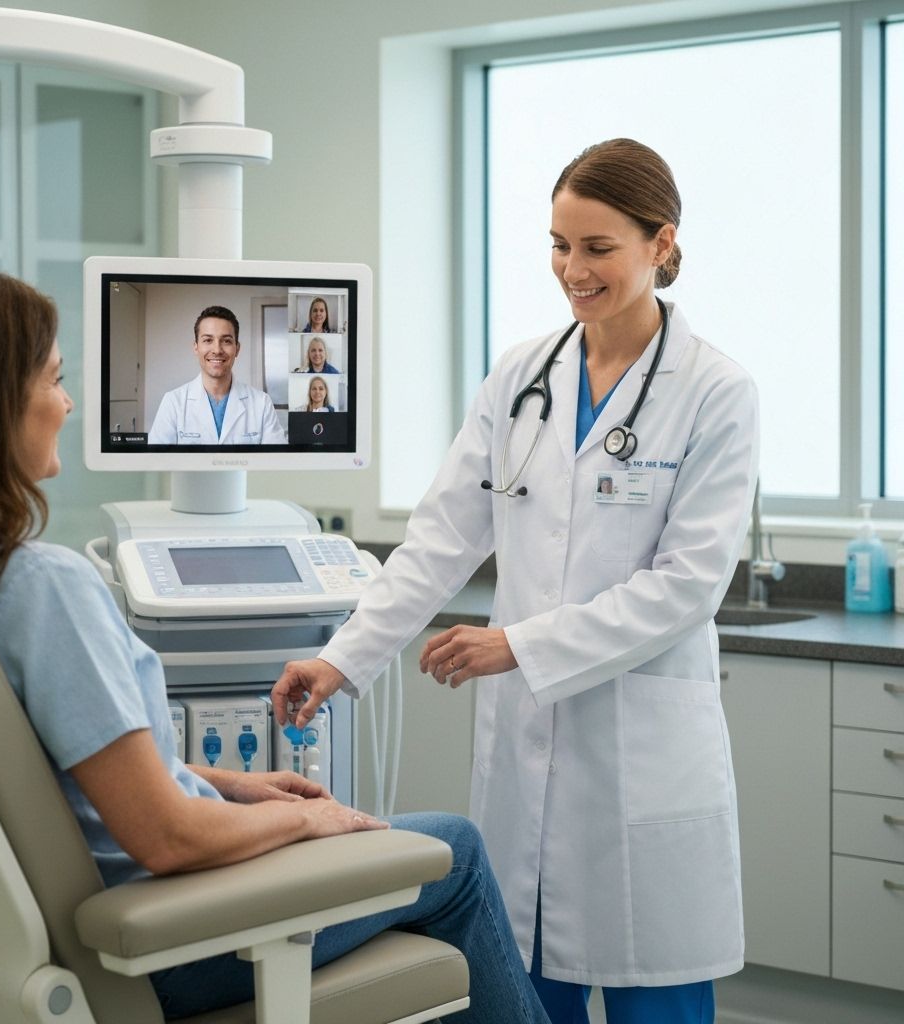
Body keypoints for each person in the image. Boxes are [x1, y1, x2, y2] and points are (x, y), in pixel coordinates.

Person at [0, 262, 551, 1024]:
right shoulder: (40, 585)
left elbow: (54, 766)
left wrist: (235, 785)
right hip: (179, 929)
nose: (67, 403)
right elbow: (166, 835)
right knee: (455, 851)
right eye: (54, 379)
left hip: (90, 914)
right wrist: (306, 820)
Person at [273, 139, 760, 1024]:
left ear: (661, 244)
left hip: (641, 748)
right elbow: (439, 540)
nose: (572, 270)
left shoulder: (717, 392)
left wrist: (518, 645)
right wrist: (343, 660)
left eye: (598, 248)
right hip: (525, 752)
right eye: (558, 244)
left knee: (661, 1000)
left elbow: (687, 586)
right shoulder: (522, 378)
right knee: (525, 992)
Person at [148, 305, 285, 444]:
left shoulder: (261, 403)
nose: (217, 350)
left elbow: (276, 462)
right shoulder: (173, 402)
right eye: (208, 340)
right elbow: (157, 462)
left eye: (226, 341)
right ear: (196, 347)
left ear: (237, 349)